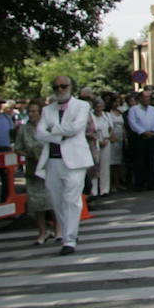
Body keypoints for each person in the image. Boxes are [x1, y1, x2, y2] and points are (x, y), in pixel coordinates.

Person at [35, 76, 95, 255]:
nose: (60, 89)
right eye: (56, 87)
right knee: (57, 201)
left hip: (75, 160)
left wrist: (52, 131)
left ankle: (69, 239)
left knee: (71, 200)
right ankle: (70, 230)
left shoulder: (82, 106)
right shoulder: (47, 110)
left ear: (70, 87)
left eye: (63, 86)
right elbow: (39, 133)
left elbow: (75, 129)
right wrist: (60, 133)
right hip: (52, 160)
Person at [13, 99, 56, 244]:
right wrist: (28, 153)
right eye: (29, 111)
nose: (31, 114)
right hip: (33, 168)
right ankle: (42, 232)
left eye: (34, 111)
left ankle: (59, 229)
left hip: (49, 167)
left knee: (53, 200)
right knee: (37, 203)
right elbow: (17, 147)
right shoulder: (24, 129)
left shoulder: (48, 127)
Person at [125, 90, 154, 190]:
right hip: (139, 137)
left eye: (149, 97)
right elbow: (132, 123)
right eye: (145, 97)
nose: (147, 99)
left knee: (152, 160)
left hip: (152, 136)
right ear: (140, 98)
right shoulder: (134, 109)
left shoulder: (153, 109)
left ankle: (152, 183)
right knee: (139, 160)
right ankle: (139, 184)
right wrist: (143, 132)